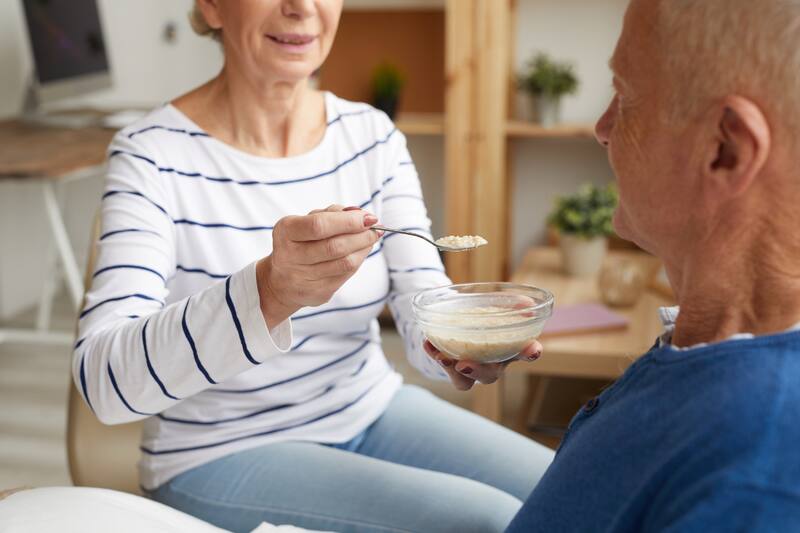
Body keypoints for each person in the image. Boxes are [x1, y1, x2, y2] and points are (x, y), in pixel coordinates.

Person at [73, 1, 553, 532]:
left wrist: (460, 346)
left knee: (571, 487)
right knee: (492, 523)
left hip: (369, 408)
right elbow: (105, 385)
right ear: (211, 7)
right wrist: (270, 292)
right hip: (217, 453)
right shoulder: (150, 156)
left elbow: (423, 302)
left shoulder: (372, 135)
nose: (301, 7)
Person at [506, 0, 800, 530]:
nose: (602, 127)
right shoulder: (708, 357)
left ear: (725, 150)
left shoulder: (754, 478)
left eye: (625, 95)